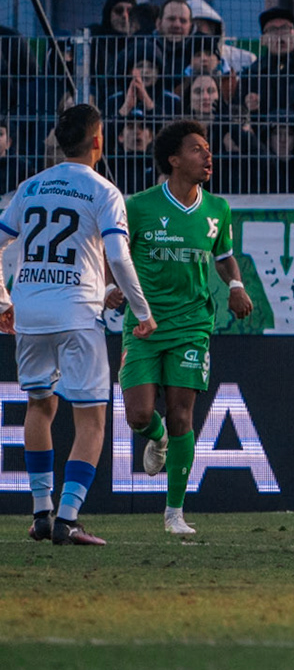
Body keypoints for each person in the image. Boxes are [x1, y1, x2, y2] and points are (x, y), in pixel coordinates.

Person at [0, 104, 155, 546]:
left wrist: (2, 301)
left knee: (39, 407)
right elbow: (119, 257)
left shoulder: (29, 187)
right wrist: (143, 313)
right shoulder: (104, 191)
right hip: (76, 314)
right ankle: (67, 519)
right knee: (91, 419)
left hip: (29, 311)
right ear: (98, 141)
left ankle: (41, 513)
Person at [109, 120, 252, 535]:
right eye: (197, 150)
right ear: (173, 160)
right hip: (143, 324)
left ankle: (174, 512)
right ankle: (156, 438)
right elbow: (112, 254)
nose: (208, 156)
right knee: (138, 414)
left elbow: (223, 256)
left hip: (192, 324)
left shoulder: (217, 209)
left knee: (182, 414)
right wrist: (109, 288)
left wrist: (236, 286)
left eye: (208, 149)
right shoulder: (137, 207)